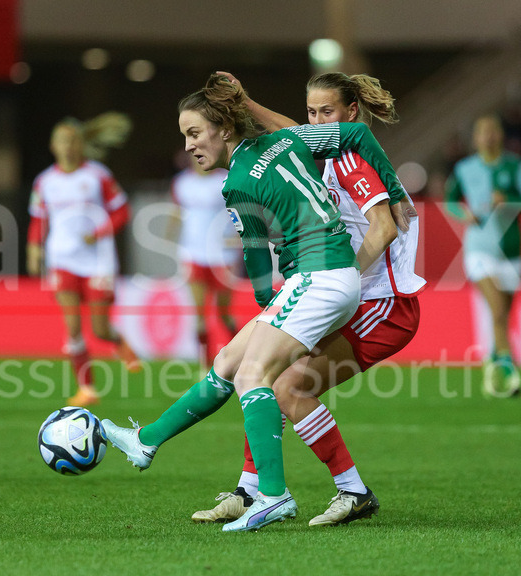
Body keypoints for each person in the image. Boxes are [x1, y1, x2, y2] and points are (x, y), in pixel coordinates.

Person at [101, 73, 406, 532]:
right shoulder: (285, 140)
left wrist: (269, 306)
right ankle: (146, 440)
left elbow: (257, 262)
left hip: (319, 276)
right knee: (228, 359)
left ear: (224, 130)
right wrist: (397, 189)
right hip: (330, 276)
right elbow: (358, 134)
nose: (187, 146)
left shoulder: (239, 181)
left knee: (253, 376)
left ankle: (273, 495)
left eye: (193, 133)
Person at [189, 71, 424, 527]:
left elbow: (384, 228)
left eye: (325, 113)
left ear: (350, 114)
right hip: (352, 300)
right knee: (265, 370)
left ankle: (352, 490)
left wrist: (333, 278)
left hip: (383, 304)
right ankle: (250, 490)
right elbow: (289, 132)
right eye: (310, 112)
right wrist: (246, 100)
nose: (313, 122)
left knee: (286, 385)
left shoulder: (355, 161)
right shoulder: (319, 153)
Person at [26, 114, 141, 407]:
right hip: (62, 260)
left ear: (81, 144)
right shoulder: (45, 182)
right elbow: (38, 219)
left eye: (73, 140)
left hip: (97, 261)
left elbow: (121, 212)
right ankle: (87, 388)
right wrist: (34, 249)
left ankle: (118, 342)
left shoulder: (97, 175)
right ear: (53, 146)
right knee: (73, 328)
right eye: (62, 141)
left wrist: (99, 231)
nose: (68, 146)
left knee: (99, 329)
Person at [445, 115, 521, 397]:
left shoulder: (517, 166)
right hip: (478, 250)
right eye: (482, 132)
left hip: (512, 253)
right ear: (475, 138)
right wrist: (463, 213)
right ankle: (511, 373)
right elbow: (450, 200)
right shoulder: (465, 169)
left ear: (501, 135)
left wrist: (511, 202)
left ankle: (492, 365)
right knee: (498, 310)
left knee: (501, 316)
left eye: (493, 131)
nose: (488, 136)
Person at [166, 152, 239, 367]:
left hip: (222, 255)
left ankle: (238, 355)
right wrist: (170, 232)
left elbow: (237, 209)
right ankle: (206, 364)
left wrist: (237, 235)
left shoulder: (224, 180)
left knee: (223, 312)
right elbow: (178, 210)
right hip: (192, 253)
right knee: (199, 312)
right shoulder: (181, 183)